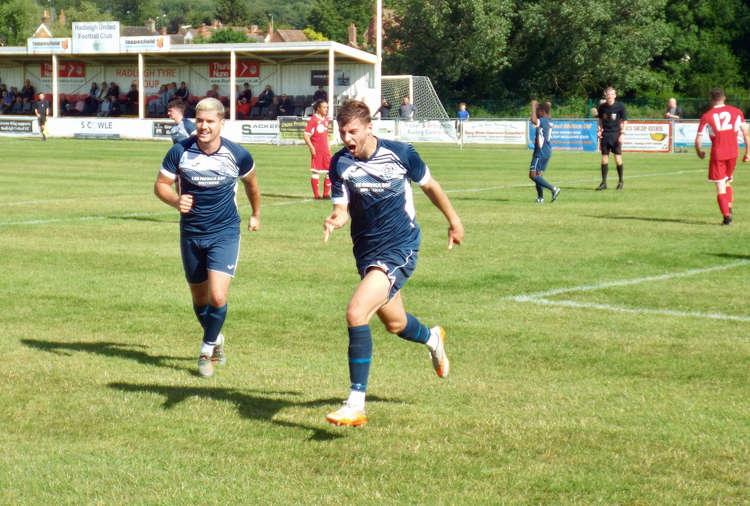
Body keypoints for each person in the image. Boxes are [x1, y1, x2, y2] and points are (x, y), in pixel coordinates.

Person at [322, 99, 464, 427]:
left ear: (370, 128)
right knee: (395, 324)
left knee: (356, 312)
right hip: (366, 252)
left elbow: (431, 186)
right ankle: (432, 338)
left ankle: (356, 402)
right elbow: (341, 209)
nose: (347, 138)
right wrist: (335, 218)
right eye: (342, 132)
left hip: (400, 247)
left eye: (353, 131)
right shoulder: (339, 163)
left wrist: (454, 220)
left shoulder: (401, 153)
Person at [153, 97, 261, 378]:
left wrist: (256, 214)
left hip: (224, 232)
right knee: (200, 301)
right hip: (191, 233)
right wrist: (176, 201)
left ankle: (205, 350)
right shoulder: (179, 152)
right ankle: (217, 338)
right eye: (200, 121)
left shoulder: (238, 155)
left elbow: (252, 185)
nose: (203, 126)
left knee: (217, 295)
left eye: (210, 121)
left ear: (221, 123)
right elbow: (161, 186)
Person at [695, 87, 750, 225]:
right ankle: (729, 207)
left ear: (711, 99)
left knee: (720, 185)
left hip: (718, 153)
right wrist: (748, 152)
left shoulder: (707, 116)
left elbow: (698, 139)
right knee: (727, 181)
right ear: (724, 98)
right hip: (733, 153)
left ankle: (726, 216)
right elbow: (746, 134)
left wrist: (699, 151)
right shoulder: (737, 112)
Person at [528, 100, 561, 203]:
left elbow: (533, 120)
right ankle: (540, 198)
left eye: (538, 112)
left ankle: (553, 189)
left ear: (542, 112)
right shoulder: (548, 120)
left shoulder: (542, 120)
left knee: (533, 175)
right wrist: (547, 106)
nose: (536, 114)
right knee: (538, 175)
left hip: (540, 152)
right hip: (547, 151)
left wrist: (533, 106)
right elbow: (542, 115)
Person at [596, 86, 627, 190]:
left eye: (611, 94)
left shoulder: (620, 106)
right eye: (608, 94)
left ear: (615, 95)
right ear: (606, 95)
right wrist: (599, 130)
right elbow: (600, 120)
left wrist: (622, 134)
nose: (609, 96)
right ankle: (603, 183)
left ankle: (621, 182)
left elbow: (625, 121)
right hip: (606, 135)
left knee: (617, 159)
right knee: (604, 159)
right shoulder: (602, 107)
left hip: (616, 135)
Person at [303, 100, 332, 199]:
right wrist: (311, 148)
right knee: (316, 171)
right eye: (324, 107)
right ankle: (316, 195)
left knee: (330, 171)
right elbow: (306, 135)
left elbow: (326, 135)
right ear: (318, 108)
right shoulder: (313, 120)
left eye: (327, 107)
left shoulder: (326, 120)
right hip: (317, 150)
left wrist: (328, 147)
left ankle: (326, 194)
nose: (326, 109)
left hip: (326, 151)